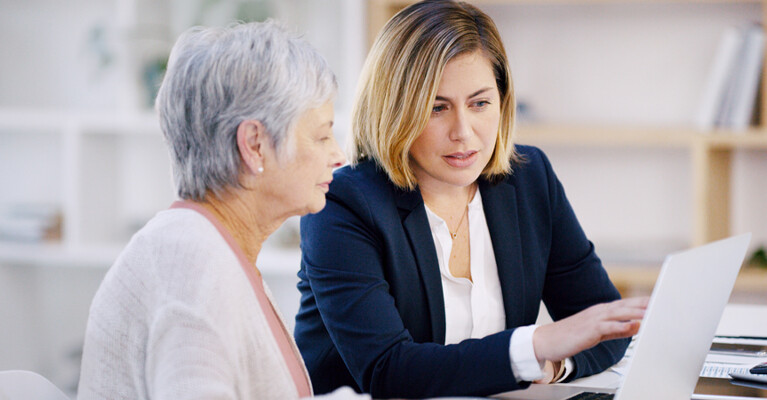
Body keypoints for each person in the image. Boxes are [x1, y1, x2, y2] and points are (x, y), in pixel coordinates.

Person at [294, 1, 648, 398]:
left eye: (480, 103)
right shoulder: (343, 205)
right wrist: (533, 347)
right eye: (436, 107)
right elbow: (388, 371)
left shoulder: (530, 179)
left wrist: (555, 366)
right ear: (394, 110)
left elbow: (605, 324)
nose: (463, 131)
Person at [77, 21, 363, 400]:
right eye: (322, 135)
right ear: (255, 145)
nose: (338, 155)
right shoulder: (192, 266)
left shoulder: (208, 249)